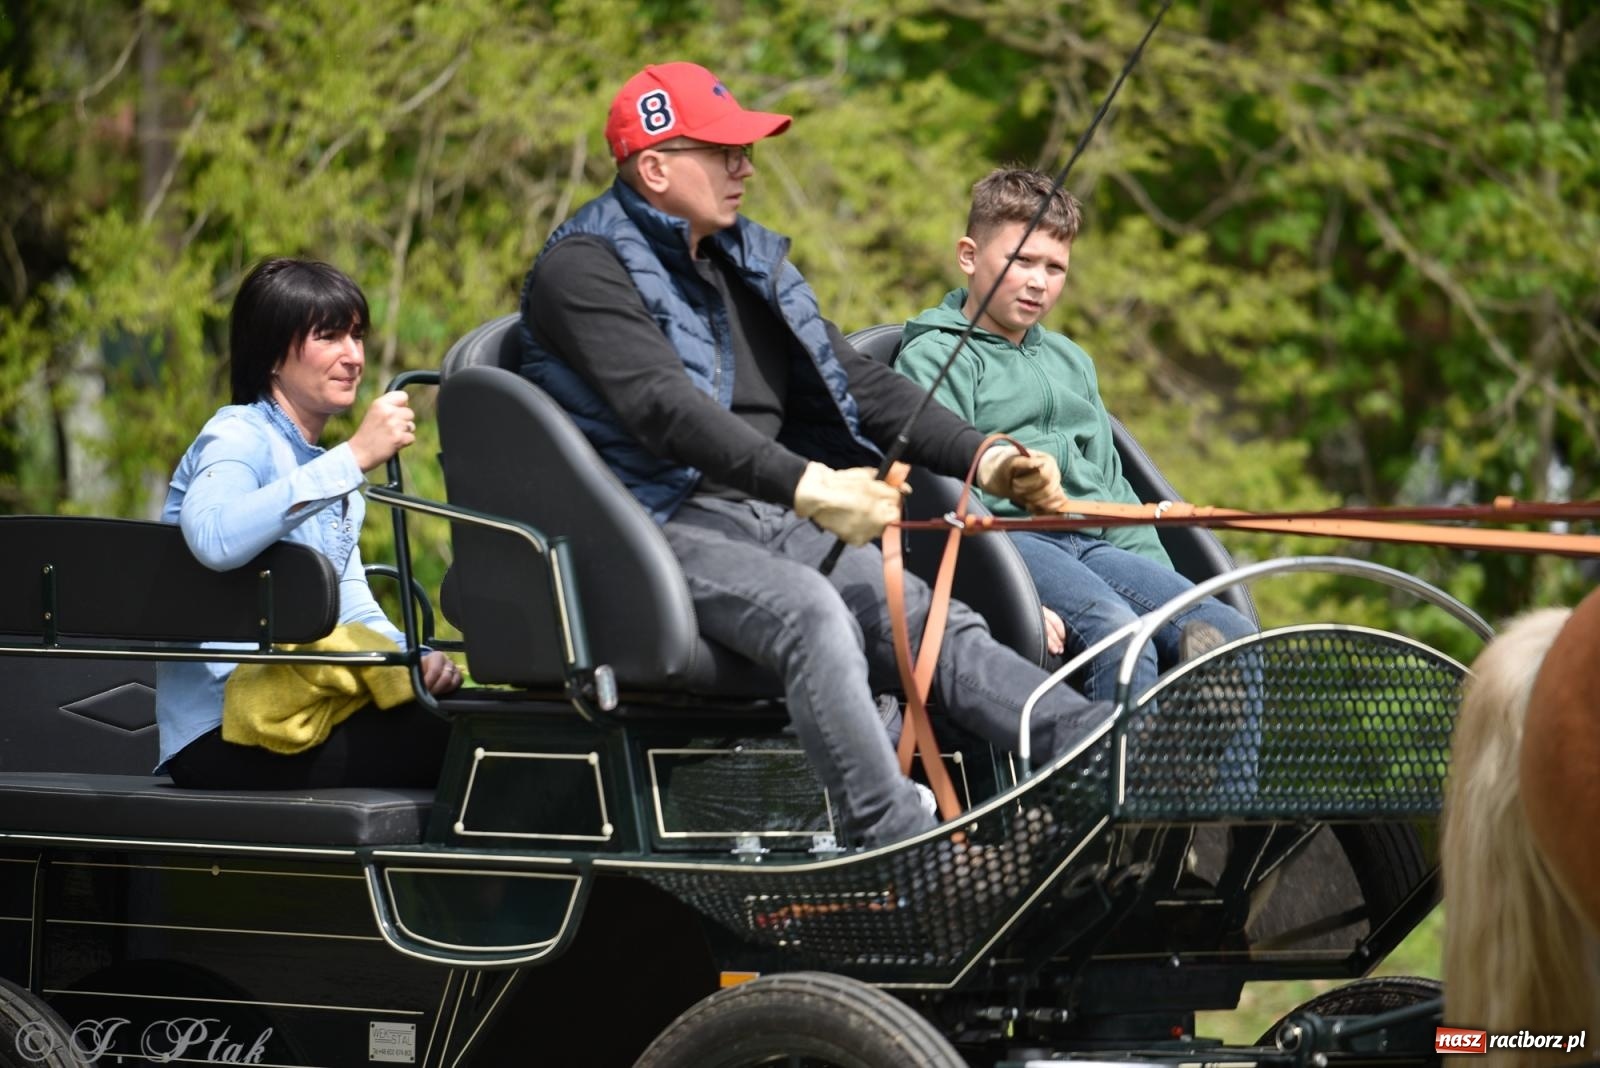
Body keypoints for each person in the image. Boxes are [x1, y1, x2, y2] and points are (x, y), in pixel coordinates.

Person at [519, 62, 1112, 849]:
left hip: (765, 510)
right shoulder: (582, 268)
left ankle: (1109, 759)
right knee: (813, 616)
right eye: (723, 152)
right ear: (655, 168)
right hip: (646, 522)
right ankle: (898, 845)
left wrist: (987, 456)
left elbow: (857, 380)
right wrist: (809, 485)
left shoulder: (745, 262)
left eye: (747, 151)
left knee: (938, 623)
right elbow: (665, 409)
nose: (746, 168)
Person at [897, 168, 1255, 706]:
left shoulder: (1071, 362)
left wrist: (1159, 582)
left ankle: (1200, 779)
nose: (1039, 281)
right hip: (1008, 543)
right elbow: (941, 489)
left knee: (1230, 635)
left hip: (1091, 541)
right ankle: (1113, 784)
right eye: (1021, 261)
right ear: (969, 256)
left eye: (1055, 267)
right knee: (1118, 633)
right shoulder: (937, 357)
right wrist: (1004, 594)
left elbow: (1112, 489)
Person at [155, 257, 461, 789]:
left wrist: (417, 659)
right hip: (220, 732)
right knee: (470, 746)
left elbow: (353, 604)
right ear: (274, 355)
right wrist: (353, 457)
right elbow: (214, 538)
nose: (354, 357)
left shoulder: (328, 475)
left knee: (484, 720)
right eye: (330, 336)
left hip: (303, 709)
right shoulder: (237, 435)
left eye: (357, 336)